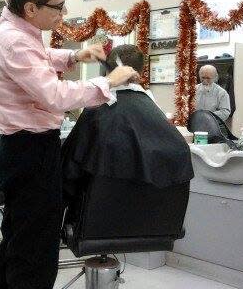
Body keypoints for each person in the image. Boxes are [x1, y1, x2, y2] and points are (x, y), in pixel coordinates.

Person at [0, 0, 138, 289]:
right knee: (36, 248)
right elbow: (54, 95)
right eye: (58, 6)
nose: (64, 12)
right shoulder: (14, 40)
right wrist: (108, 82)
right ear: (31, 7)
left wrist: (72, 57)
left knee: (18, 238)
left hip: (22, 150)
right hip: (31, 152)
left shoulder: (16, 30)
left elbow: (36, 59)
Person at [61, 44, 193, 203]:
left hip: (102, 215)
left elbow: (68, 172)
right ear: (142, 72)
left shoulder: (95, 112)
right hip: (154, 221)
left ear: (108, 70)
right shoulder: (157, 114)